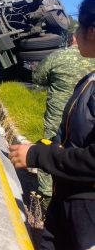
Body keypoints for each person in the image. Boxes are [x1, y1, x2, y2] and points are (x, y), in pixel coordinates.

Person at [10, 0, 95, 250]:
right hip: (68, 200)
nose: (74, 34)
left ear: (91, 32)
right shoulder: (88, 80)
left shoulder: (67, 64)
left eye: (78, 27)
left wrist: (37, 156)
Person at [32, 33, 95, 209]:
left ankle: (45, 200)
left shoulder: (57, 56)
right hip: (86, 126)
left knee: (47, 154)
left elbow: (37, 78)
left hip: (57, 120)